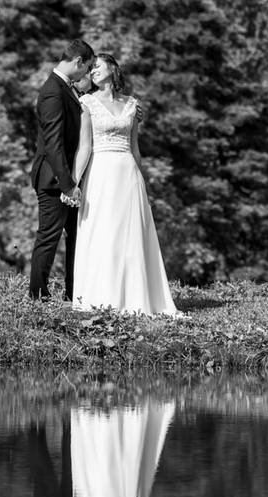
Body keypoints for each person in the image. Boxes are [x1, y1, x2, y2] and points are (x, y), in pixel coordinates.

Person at [70, 54, 178, 315]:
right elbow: (85, 147)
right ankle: (102, 296)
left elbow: (135, 147)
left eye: (98, 66)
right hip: (101, 173)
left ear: (112, 68)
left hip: (128, 174)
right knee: (104, 232)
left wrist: (142, 180)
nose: (93, 71)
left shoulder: (132, 104)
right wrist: (74, 182)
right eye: (90, 68)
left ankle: (135, 295)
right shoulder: (86, 103)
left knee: (130, 234)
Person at [29, 39, 96, 301]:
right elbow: (53, 145)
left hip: (67, 179)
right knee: (48, 237)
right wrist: (68, 184)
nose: (86, 74)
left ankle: (73, 293)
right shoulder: (53, 91)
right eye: (87, 67)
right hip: (54, 179)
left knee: (74, 238)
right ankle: (37, 296)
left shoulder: (65, 88)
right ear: (78, 62)